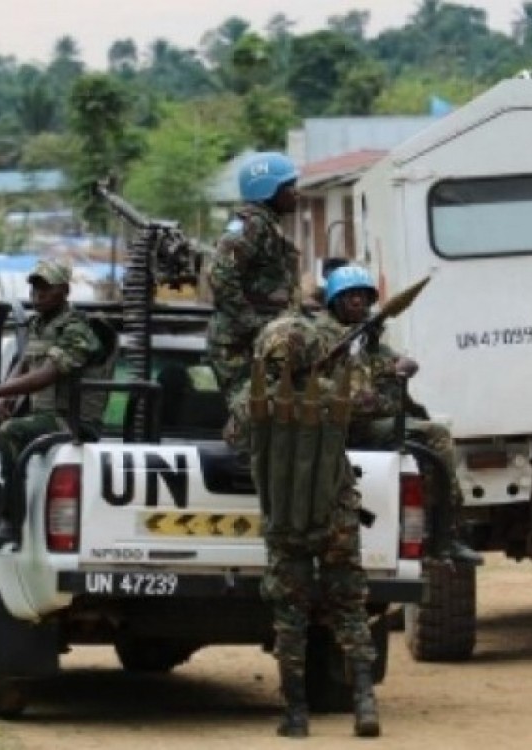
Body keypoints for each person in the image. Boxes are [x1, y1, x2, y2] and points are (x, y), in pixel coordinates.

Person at [229, 314, 381, 739]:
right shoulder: (334, 394)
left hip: (284, 524)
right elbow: (373, 404)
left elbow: (233, 437)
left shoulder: (250, 399)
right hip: (335, 519)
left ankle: (296, 715)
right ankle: (365, 704)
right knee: (349, 609)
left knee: (289, 619)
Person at [318, 265, 482, 565]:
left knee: (434, 431)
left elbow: (387, 363)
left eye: (363, 297)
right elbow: (358, 400)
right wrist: (389, 374)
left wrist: (401, 365)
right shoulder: (329, 341)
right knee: (436, 436)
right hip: (347, 428)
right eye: (350, 296)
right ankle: (447, 536)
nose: (358, 302)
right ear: (335, 302)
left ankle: (444, 529)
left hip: (373, 425)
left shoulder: (367, 339)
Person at [0, 259, 105, 548]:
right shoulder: (39, 324)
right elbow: (24, 363)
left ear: (63, 291)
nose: (37, 293)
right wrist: (7, 399)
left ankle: (11, 524)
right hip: (43, 418)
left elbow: (47, 375)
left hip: (71, 421)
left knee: (12, 432)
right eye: (34, 286)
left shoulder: (76, 330)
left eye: (45, 288)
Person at [206, 151, 302, 402]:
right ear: (269, 189)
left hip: (256, 339)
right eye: (289, 187)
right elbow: (221, 277)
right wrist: (255, 325)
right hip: (238, 343)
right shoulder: (252, 225)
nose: (296, 193)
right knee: (252, 412)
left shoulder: (267, 224)